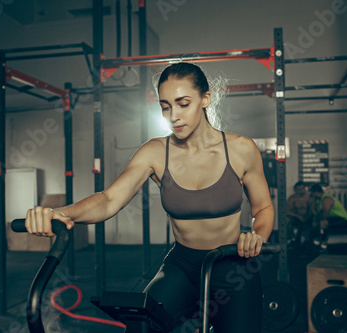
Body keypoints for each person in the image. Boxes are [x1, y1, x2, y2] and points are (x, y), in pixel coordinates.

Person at [24, 62, 274, 332]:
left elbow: (263, 209)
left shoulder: (241, 150)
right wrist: (60, 213)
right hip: (183, 266)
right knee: (141, 325)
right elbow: (109, 200)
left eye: (183, 104)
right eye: (165, 107)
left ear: (205, 99)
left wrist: (257, 236)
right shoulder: (155, 152)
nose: (174, 116)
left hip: (233, 264)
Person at [309, 183, 347, 250]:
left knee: (323, 223)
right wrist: (312, 206)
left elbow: (325, 215)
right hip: (333, 219)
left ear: (315, 193)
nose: (311, 195)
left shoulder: (326, 199)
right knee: (316, 222)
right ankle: (316, 242)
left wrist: (318, 220)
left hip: (342, 220)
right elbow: (317, 214)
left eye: (311, 193)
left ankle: (323, 245)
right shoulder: (319, 200)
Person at [286, 181, 314, 247]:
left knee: (315, 221)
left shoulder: (309, 198)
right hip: (296, 217)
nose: (301, 191)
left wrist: (308, 217)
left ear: (305, 189)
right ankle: (292, 239)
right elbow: (287, 211)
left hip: (307, 217)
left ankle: (312, 240)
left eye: (302, 189)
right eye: (299, 189)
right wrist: (298, 216)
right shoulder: (292, 198)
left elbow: (313, 210)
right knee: (287, 220)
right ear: (295, 190)